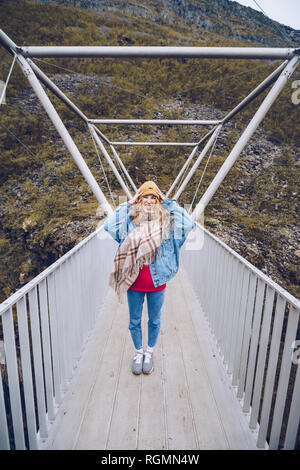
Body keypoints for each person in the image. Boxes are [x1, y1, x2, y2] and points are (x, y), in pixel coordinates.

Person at [104, 180, 195, 375]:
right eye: (145, 196)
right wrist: (128, 204)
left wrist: (169, 203)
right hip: (134, 282)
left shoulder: (168, 226)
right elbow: (109, 226)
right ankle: (138, 352)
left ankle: (149, 352)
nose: (149, 200)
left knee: (154, 320)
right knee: (134, 320)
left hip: (157, 282)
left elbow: (189, 224)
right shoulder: (129, 224)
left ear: (158, 200)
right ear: (140, 199)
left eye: (153, 197)